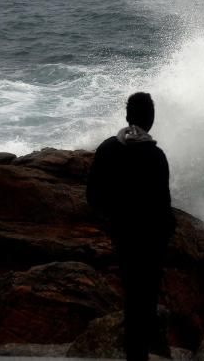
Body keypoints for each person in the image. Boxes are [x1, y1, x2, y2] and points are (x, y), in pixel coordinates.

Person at [87, 92, 176, 361]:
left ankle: (133, 353)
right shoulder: (155, 156)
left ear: (127, 117)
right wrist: (167, 233)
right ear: (150, 119)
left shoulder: (107, 149)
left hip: (123, 235)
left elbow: (93, 195)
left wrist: (111, 221)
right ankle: (140, 354)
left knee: (131, 294)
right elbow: (163, 204)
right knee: (146, 298)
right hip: (150, 239)